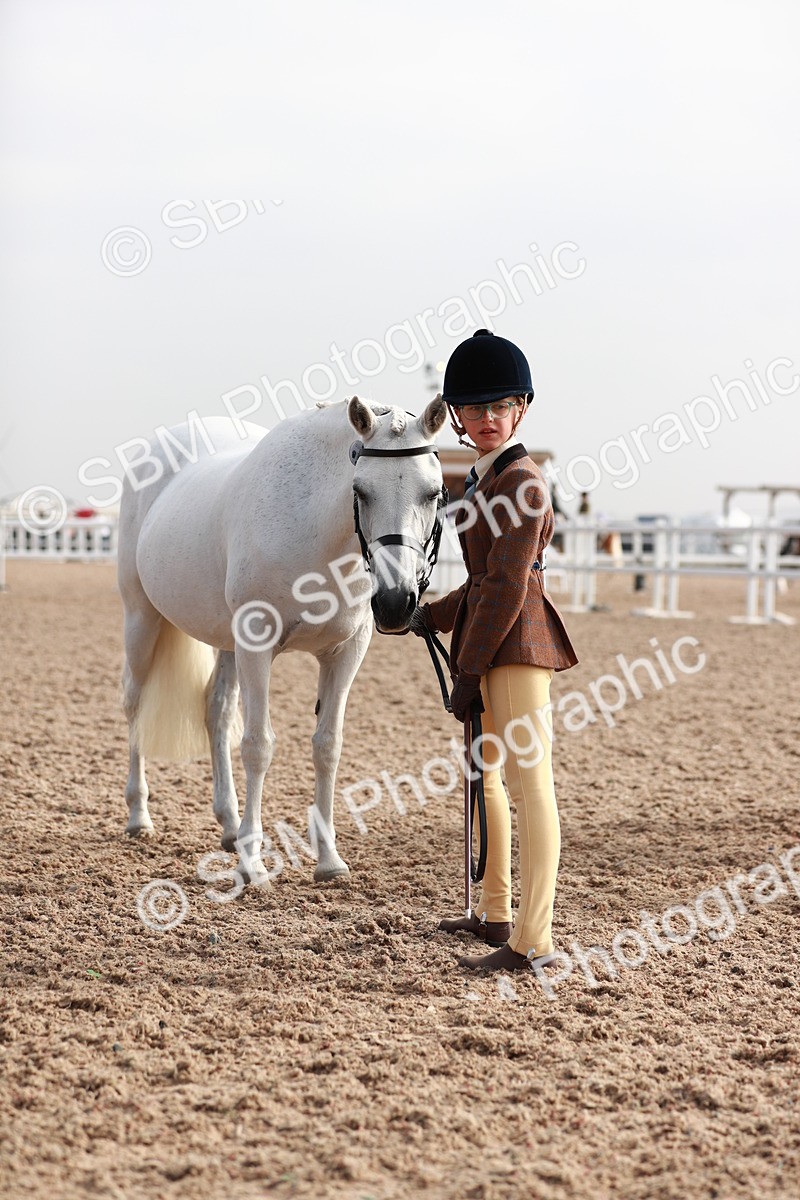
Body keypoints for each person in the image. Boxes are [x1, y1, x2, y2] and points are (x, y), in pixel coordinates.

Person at [410, 329, 578, 973]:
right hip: (495, 640)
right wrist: (430, 615)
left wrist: (468, 667)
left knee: (531, 786)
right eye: (473, 408)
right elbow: (481, 585)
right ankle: (495, 911)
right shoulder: (492, 479)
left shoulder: (523, 484)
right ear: (455, 413)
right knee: (490, 780)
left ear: (521, 409)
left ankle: (534, 941)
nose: (485, 418)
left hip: (515, 649)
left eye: (497, 407)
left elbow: (508, 586)